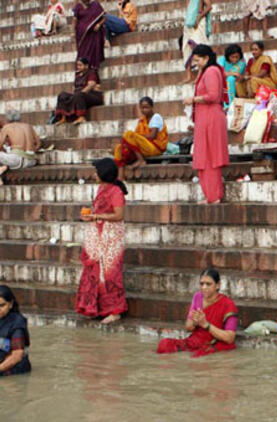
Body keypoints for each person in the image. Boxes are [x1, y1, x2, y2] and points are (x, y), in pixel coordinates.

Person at [76, 158, 129, 325]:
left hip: (112, 237)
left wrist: (96, 216)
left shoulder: (116, 192)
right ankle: (97, 308)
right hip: (98, 234)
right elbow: (100, 210)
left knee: (110, 274)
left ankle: (115, 311)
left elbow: (118, 215)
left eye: (96, 172)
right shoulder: (100, 188)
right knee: (95, 272)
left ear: (103, 174)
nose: (94, 175)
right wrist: (90, 216)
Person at [183, 44, 229, 204]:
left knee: (211, 157)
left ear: (206, 58)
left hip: (211, 117)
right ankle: (210, 195)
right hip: (205, 117)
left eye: (198, 60)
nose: (196, 64)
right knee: (205, 157)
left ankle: (214, 195)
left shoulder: (211, 71)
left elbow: (213, 95)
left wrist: (193, 100)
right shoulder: (206, 71)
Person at [157, 268, 239, 357]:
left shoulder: (228, 304)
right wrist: (195, 322)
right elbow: (188, 327)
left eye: (208, 284)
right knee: (164, 345)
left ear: (218, 285)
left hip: (214, 343)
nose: (204, 287)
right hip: (195, 341)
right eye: (202, 284)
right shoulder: (198, 296)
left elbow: (230, 338)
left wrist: (206, 325)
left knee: (199, 356)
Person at [113, 97, 169, 180]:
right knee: (118, 148)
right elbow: (134, 140)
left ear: (152, 107)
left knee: (128, 134)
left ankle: (141, 160)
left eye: (146, 107)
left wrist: (136, 136)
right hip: (144, 147)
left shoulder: (156, 117)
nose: (144, 110)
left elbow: (152, 136)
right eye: (142, 108)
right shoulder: (142, 120)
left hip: (156, 147)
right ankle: (120, 177)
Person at [54, 57, 104, 125]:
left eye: (80, 65)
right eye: (78, 65)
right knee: (62, 95)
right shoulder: (77, 75)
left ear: (86, 66)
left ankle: (81, 117)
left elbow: (91, 85)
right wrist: (72, 96)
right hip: (78, 95)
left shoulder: (91, 73)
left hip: (92, 96)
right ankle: (64, 118)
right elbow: (74, 88)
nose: (78, 67)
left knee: (79, 95)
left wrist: (80, 94)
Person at [0, 109, 41, 185]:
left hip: (17, 161)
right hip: (31, 161)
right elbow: (38, 144)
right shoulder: (28, 126)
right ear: (19, 117)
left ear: (8, 119)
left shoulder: (7, 127)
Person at [0, 286, 31, 377]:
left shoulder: (17, 324)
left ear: (10, 304)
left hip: (12, 367)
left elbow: (17, 355)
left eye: (2, 305)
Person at [181, 0, 213, 84]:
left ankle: (199, 76)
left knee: (199, 48)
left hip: (199, 22)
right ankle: (189, 75)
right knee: (186, 48)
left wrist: (199, 17)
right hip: (189, 22)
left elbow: (209, 6)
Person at [72, 0, 106, 70]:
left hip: (94, 34)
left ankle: (93, 68)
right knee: (82, 53)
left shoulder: (96, 5)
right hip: (82, 35)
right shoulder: (78, 6)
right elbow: (75, 20)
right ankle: (81, 70)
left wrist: (99, 24)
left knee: (94, 51)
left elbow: (104, 17)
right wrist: (72, 32)